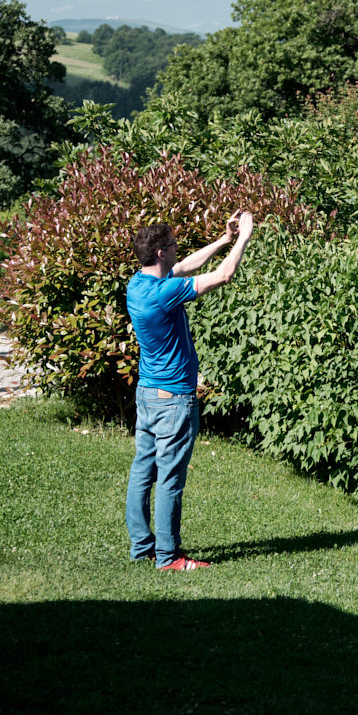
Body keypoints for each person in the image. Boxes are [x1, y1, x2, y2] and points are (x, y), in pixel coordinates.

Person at [125, 210, 254, 571]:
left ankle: (142, 547)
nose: (177, 249)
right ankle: (168, 558)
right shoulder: (164, 294)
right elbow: (224, 275)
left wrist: (223, 240)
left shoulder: (138, 285)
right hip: (173, 400)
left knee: (142, 472)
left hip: (148, 395)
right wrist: (243, 237)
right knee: (169, 479)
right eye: (173, 245)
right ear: (161, 252)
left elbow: (182, 268)